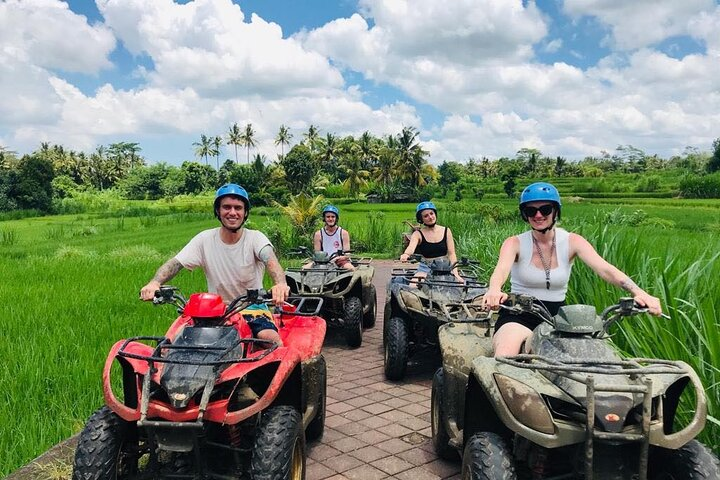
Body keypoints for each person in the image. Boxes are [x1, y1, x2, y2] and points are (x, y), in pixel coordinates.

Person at [483, 182, 662, 357]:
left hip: (559, 318)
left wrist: (638, 292)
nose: (538, 215)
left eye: (545, 209)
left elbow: (605, 269)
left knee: (590, 359)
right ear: (525, 214)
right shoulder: (514, 243)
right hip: (518, 313)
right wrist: (494, 290)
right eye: (531, 211)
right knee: (505, 356)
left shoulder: (572, 241)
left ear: (555, 211)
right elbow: (500, 271)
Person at [140, 183, 290, 345]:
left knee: (272, 341)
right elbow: (176, 263)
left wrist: (280, 284)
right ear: (218, 211)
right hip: (213, 311)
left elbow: (271, 261)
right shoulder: (204, 239)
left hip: (252, 308)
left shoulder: (255, 238)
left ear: (245, 212)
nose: (232, 212)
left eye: (238, 208)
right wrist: (155, 282)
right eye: (226, 207)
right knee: (172, 344)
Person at [399, 201, 464, 284]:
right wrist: (406, 254)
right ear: (421, 219)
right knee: (414, 285)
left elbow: (452, 254)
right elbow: (411, 248)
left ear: (435, 214)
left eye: (431, 213)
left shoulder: (446, 231)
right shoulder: (418, 234)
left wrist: (455, 272)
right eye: (426, 216)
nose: (430, 217)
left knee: (461, 286)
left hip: (445, 268)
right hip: (426, 268)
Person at [312, 205, 355, 270]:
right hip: (322, 261)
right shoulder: (318, 234)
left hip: (340, 260)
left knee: (351, 268)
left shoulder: (343, 233)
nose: (330, 219)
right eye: (328, 217)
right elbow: (317, 253)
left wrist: (337, 258)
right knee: (304, 269)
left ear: (336, 218)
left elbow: (347, 254)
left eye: (333, 217)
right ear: (324, 218)